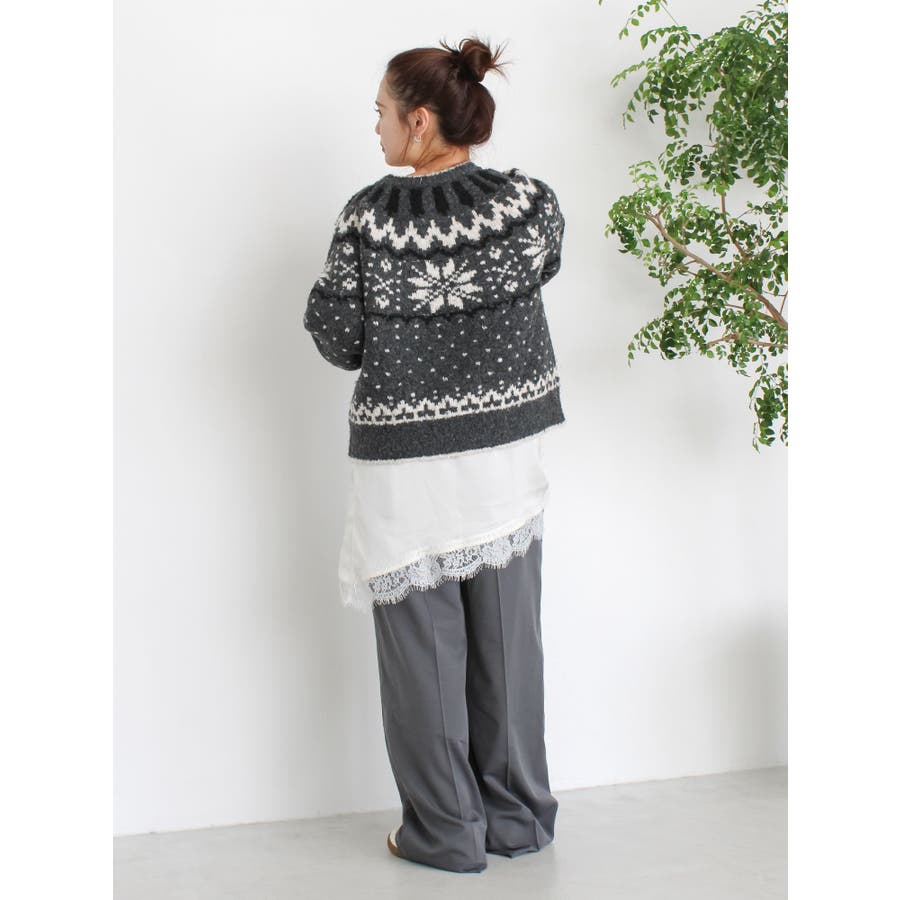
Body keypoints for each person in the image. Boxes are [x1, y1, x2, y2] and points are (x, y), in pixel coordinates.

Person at [303, 35, 566, 874]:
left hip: (407, 473)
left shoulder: (367, 218)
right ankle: (517, 821)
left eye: (382, 112)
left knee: (423, 656)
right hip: (504, 461)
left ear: (419, 121)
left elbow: (339, 340)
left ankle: (446, 832)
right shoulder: (528, 204)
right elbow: (543, 267)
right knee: (509, 646)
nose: (376, 127)